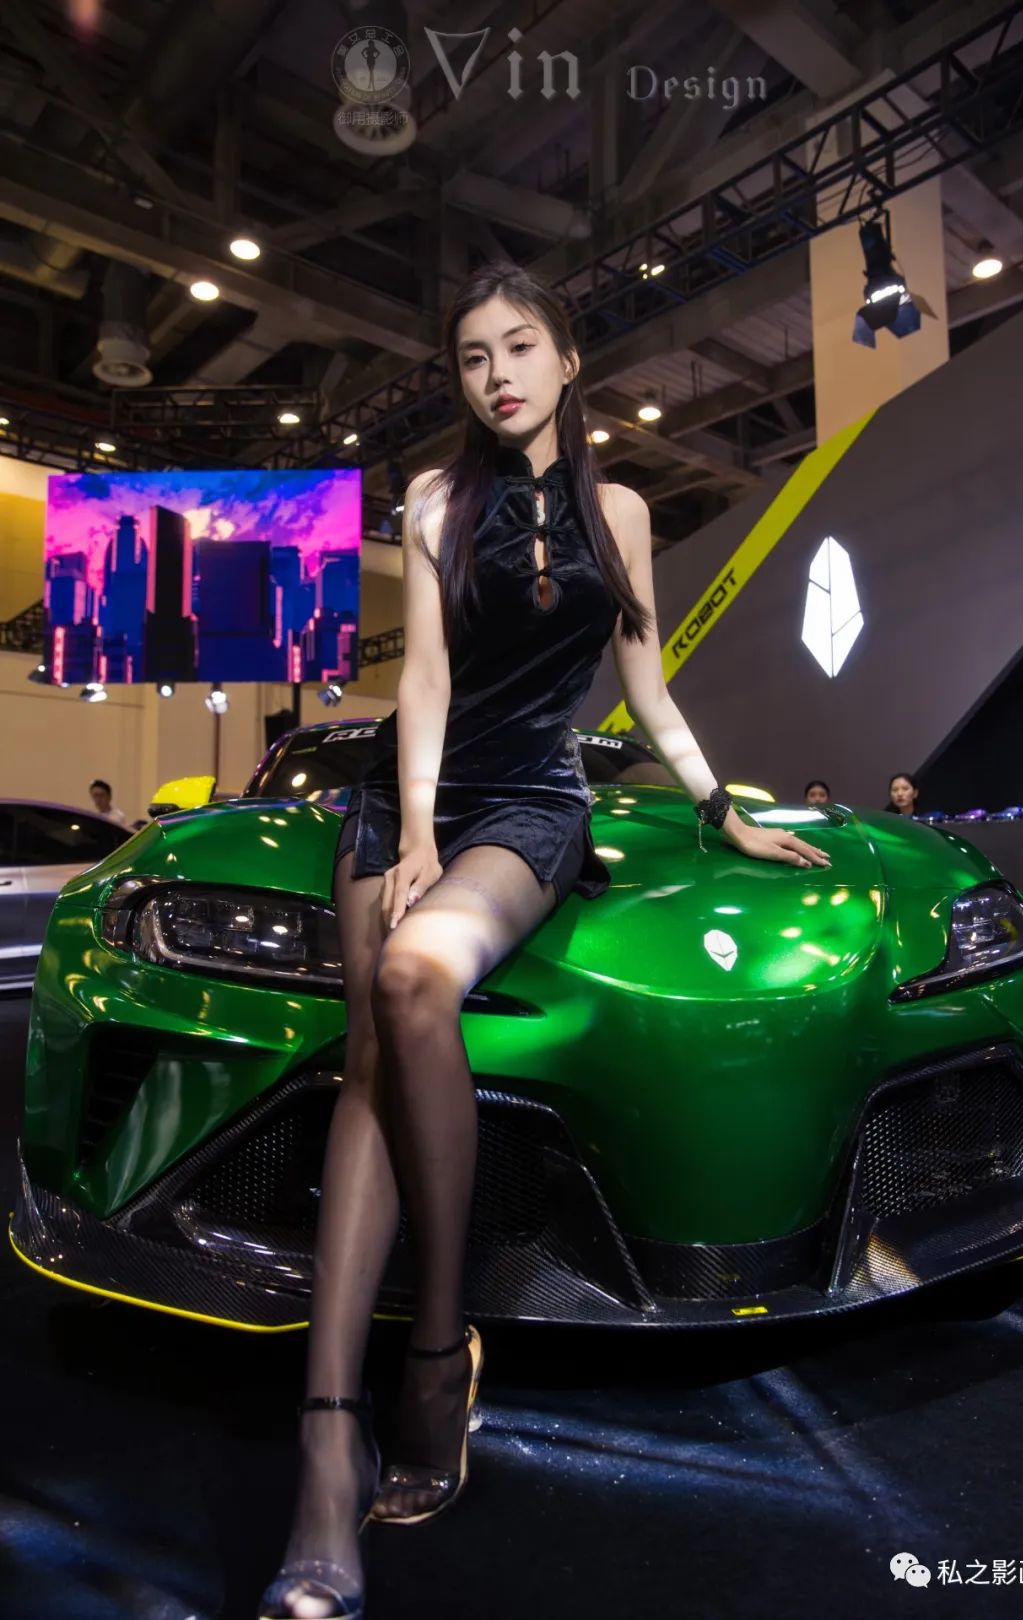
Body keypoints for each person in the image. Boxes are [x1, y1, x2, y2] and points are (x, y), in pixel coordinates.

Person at [257, 261, 833, 1620]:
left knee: (416, 976)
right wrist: (411, 831)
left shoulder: (620, 511)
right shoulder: (433, 500)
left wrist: (720, 807)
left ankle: (437, 1350)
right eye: (473, 357)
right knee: (368, 1063)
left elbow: (646, 685)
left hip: (531, 802)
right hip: (414, 799)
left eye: (519, 347)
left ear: (569, 362)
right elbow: (423, 678)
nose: (497, 374)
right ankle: (327, 1450)